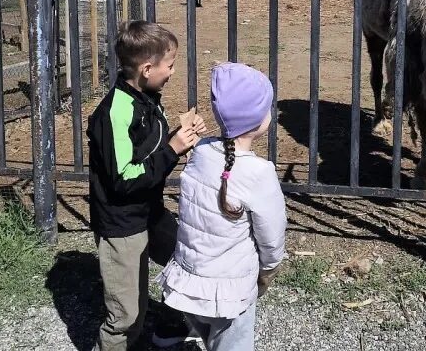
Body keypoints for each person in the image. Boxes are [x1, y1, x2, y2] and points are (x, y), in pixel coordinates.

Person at [87, 20, 206, 350]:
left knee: (185, 261)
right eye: (169, 66)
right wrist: (173, 149)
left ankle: (168, 327)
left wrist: (178, 137)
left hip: (149, 211)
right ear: (147, 68)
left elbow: (145, 153)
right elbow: (124, 179)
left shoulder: (147, 98)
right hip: (123, 223)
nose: (172, 72)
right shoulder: (115, 113)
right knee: (125, 318)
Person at [157, 62, 287, 351]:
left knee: (206, 337)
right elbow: (272, 235)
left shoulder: (202, 151)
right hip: (229, 294)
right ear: (257, 119)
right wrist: (268, 269)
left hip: (188, 282)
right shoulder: (259, 173)